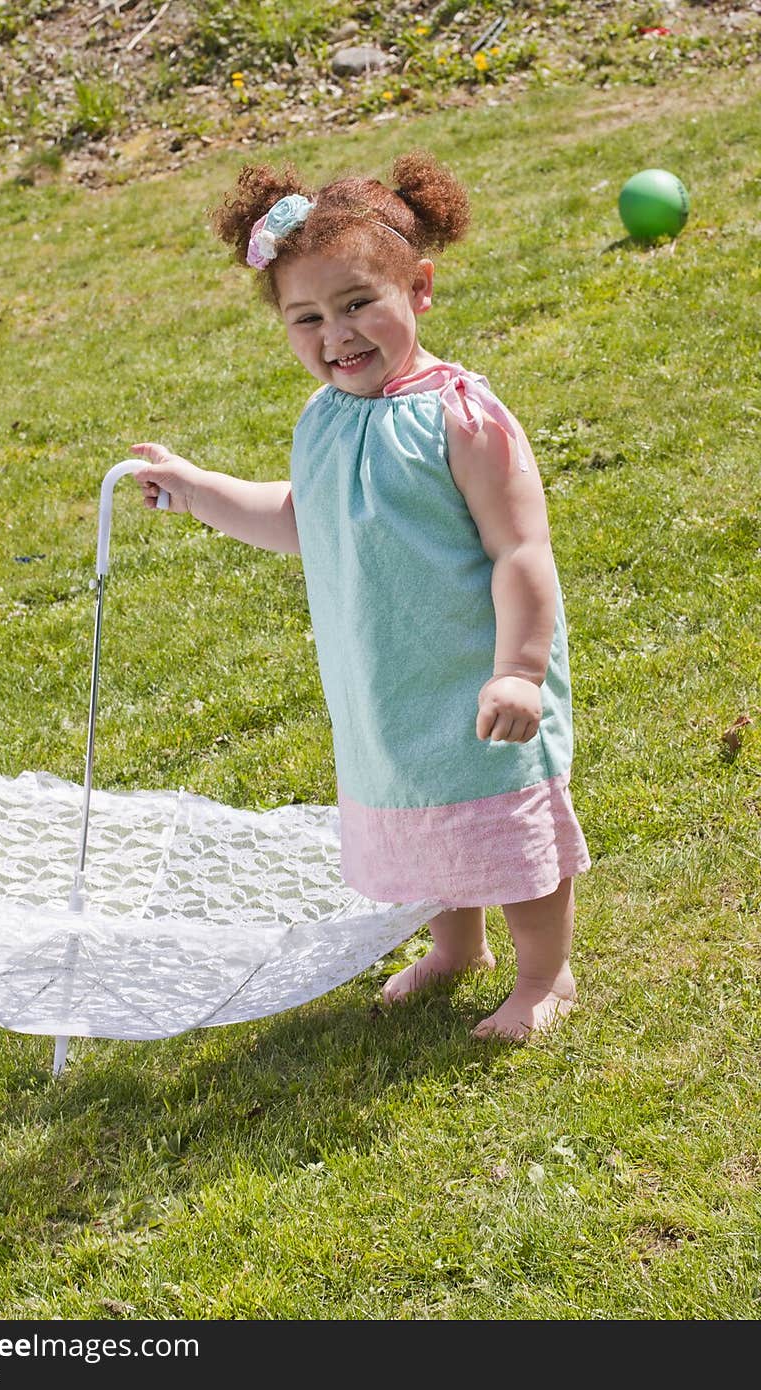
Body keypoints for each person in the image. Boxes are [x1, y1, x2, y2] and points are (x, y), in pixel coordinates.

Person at [131, 152, 590, 1040]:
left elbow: (521, 549)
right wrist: (198, 490)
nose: (334, 333)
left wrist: (519, 672)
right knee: (426, 820)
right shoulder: (326, 418)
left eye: (355, 304)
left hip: (471, 670)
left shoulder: (461, 416)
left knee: (501, 826)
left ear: (417, 289)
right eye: (307, 317)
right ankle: (458, 950)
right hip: (384, 685)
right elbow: (306, 517)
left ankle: (546, 975)